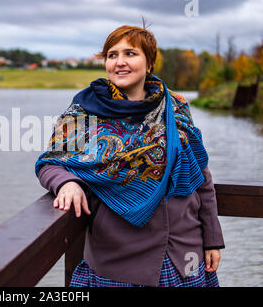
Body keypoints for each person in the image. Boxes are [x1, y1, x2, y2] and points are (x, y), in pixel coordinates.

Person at [34, 25, 225, 287]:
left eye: (130, 53)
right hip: (118, 265)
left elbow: (201, 176)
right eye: (112, 55)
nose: (119, 62)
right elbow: (51, 163)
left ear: (149, 64)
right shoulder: (84, 112)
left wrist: (212, 239)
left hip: (186, 258)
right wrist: (67, 183)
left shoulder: (176, 107)